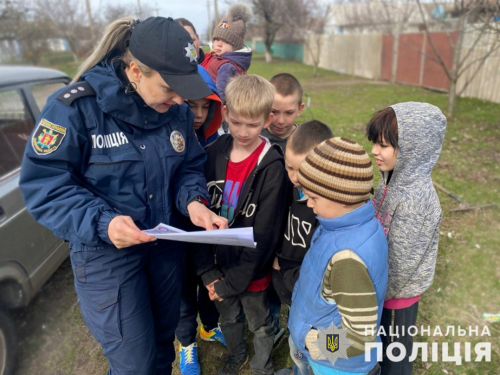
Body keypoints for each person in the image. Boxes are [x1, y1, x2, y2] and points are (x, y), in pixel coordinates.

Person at [19, 17, 228, 375]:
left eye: (184, 88)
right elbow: (46, 187)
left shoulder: (175, 111)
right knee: (134, 364)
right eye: (169, 87)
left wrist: (193, 201)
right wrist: (104, 221)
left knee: (164, 347)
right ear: (135, 70)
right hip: (107, 258)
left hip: (165, 248)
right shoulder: (76, 109)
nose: (181, 99)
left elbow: (189, 167)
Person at [197, 74, 288, 375]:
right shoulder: (212, 154)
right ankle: (237, 355)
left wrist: (233, 282)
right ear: (224, 114)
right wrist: (208, 272)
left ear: (267, 119)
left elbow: (265, 234)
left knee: (260, 323)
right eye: (236, 122)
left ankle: (262, 365)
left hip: (253, 271)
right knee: (229, 318)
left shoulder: (272, 167)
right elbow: (198, 216)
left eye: (253, 124)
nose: (244, 132)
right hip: (217, 265)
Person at [288, 137, 388, 375]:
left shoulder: (348, 259)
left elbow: (358, 338)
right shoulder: (342, 224)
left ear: (342, 197)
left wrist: (312, 343)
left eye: (313, 197)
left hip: (333, 366)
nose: (308, 204)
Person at [366, 103, 446, 375]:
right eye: (374, 143)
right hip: (381, 287)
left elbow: (403, 263)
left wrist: (374, 295)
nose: (375, 151)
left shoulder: (416, 200)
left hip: (396, 296)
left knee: (395, 356)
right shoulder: (390, 180)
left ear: (413, 150)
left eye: (384, 145)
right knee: (381, 346)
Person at [271, 120, 333, 375]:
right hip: (294, 291)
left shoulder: (331, 211)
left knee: (322, 355)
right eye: (290, 168)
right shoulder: (293, 187)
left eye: (302, 171)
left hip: (318, 304)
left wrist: (287, 274)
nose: (295, 178)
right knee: (298, 345)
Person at [176, 65, 225, 375]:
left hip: (205, 229)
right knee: (183, 292)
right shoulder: (167, 139)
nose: (198, 114)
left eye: (206, 107)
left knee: (208, 284)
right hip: (177, 230)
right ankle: (187, 344)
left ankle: (209, 325)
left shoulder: (214, 141)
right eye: (191, 105)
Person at [201, 3, 253, 104]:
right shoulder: (223, 60)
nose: (219, 44)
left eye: (226, 41)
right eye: (216, 39)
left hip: (216, 104)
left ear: (235, 46)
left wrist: (217, 110)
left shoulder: (227, 66)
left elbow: (221, 93)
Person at [261, 73, 305, 151]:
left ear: (299, 109)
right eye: (274, 112)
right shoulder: (255, 138)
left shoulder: (307, 140)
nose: (281, 121)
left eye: (289, 113)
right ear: (264, 106)